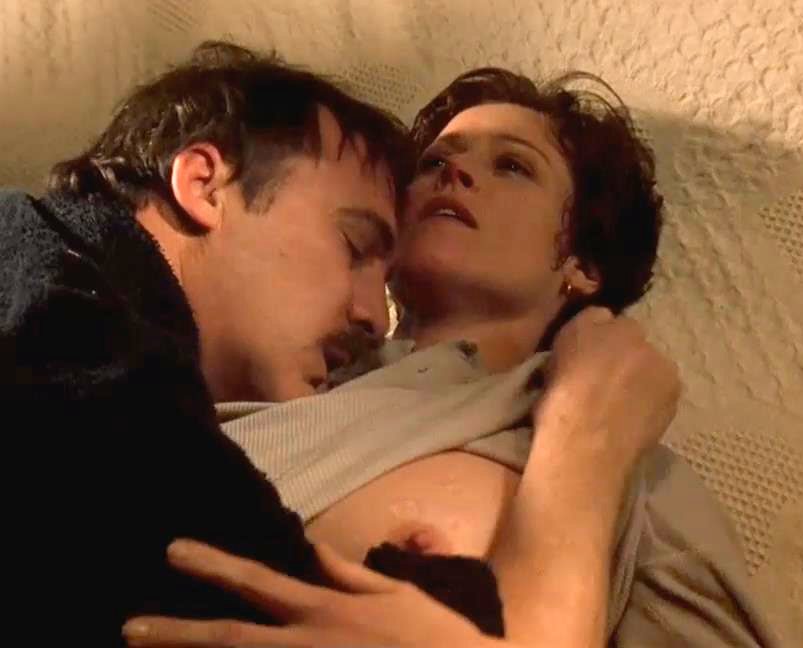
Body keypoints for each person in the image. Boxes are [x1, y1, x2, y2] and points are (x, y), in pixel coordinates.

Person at [126, 69, 781, 648]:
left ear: (582, 263)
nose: (453, 173)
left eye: (513, 167)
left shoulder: (626, 449)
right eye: (434, 161)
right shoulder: (271, 367)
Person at [2, 43, 515, 648]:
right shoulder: (46, 279)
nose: (376, 318)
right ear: (203, 184)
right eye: (354, 246)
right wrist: (450, 609)